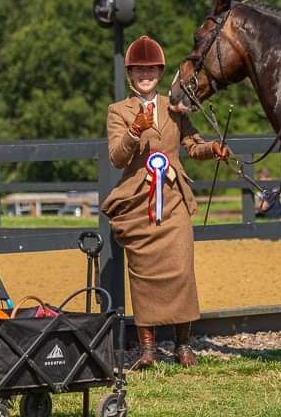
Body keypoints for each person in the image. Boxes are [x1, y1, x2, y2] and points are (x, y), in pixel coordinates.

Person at [100, 35, 229, 370]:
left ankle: (183, 346)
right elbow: (116, 157)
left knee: (182, 269)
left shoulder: (174, 105)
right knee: (142, 274)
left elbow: (192, 144)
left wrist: (211, 149)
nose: (146, 75)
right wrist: (133, 132)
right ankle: (148, 349)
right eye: (139, 70)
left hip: (172, 200)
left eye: (151, 69)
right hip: (137, 203)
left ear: (159, 72)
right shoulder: (118, 111)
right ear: (131, 74)